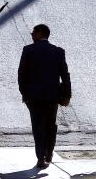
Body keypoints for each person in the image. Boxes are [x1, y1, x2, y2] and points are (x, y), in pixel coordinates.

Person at [17, 23, 71, 169]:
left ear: (41, 33)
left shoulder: (28, 50)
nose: (32, 35)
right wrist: (67, 95)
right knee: (50, 126)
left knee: (38, 127)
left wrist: (24, 93)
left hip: (33, 97)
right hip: (52, 97)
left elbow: (21, 74)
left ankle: (40, 157)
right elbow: (65, 75)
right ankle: (49, 153)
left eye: (33, 32)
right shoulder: (58, 51)